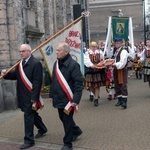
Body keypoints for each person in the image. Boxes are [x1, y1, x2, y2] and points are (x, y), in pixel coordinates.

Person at [1, 44, 47, 149]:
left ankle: (29, 140)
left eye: (23, 51)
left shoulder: (36, 64)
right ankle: (43, 128)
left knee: (28, 116)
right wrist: (5, 74)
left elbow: (37, 82)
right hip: (22, 94)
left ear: (29, 51)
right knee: (32, 113)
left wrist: (34, 97)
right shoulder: (19, 63)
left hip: (31, 95)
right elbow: (15, 76)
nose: (21, 53)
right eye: (20, 51)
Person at [49, 42, 83, 150]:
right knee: (62, 118)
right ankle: (76, 130)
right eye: (56, 50)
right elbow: (54, 80)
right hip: (59, 97)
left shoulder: (73, 65)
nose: (56, 52)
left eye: (59, 50)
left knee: (67, 120)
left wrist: (75, 100)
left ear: (66, 52)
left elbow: (78, 84)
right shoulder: (56, 64)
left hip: (69, 99)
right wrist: (51, 94)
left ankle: (68, 143)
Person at [84, 41, 106, 107]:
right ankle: (95, 94)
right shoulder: (87, 53)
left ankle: (96, 99)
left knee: (97, 85)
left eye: (95, 46)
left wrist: (101, 63)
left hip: (98, 71)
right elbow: (86, 61)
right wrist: (92, 65)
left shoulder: (99, 52)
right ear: (90, 47)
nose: (94, 48)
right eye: (92, 46)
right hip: (90, 71)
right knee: (90, 85)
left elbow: (102, 59)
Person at [112, 38, 129, 109]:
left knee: (123, 84)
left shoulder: (124, 51)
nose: (117, 44)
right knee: (117, 84)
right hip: (116, 69)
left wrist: (114, 64)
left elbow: (123, 62)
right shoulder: (116, 51)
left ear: (122, 43)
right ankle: (120, 100)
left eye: (118, 43)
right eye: (116, 43)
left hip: (122, 70)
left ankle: (124, 101)